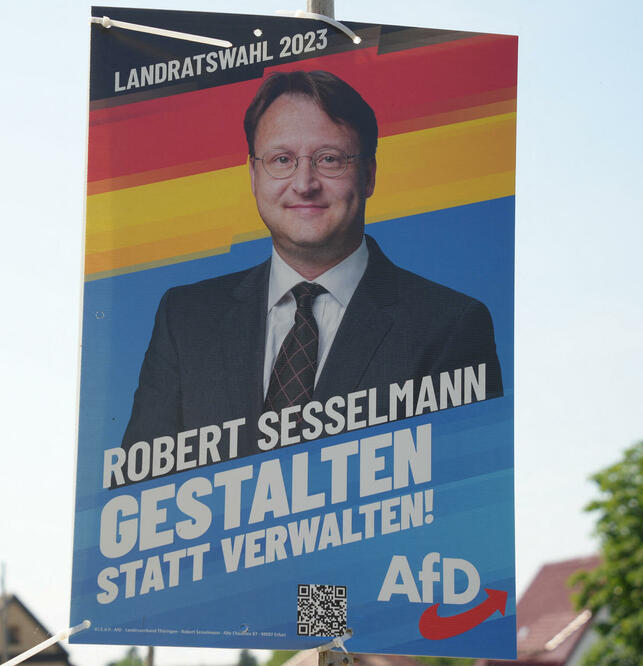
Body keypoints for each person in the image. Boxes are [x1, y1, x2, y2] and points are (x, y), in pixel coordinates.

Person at [121, 70, 502, 461]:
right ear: (253, 175)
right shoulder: (185, 319)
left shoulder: (449, 326)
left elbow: (461, 487)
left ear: (369, 175)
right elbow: (142, 486)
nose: (304, 183)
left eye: (329, 159)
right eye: (282, 159)